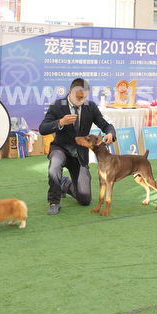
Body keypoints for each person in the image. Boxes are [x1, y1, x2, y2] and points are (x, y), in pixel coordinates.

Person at [39, 78, 115, 214]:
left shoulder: (90, 107)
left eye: (84, 98)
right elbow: (43, 128)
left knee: (85, 200)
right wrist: (60, 122)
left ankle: (65, 183)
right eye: (79, 97)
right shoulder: (57, 105)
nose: (81, 101)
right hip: (60, 149)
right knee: (55, 163)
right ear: (70, 93)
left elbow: (104, 124)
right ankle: (54, 202)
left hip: (80, 155)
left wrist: (110, 133)